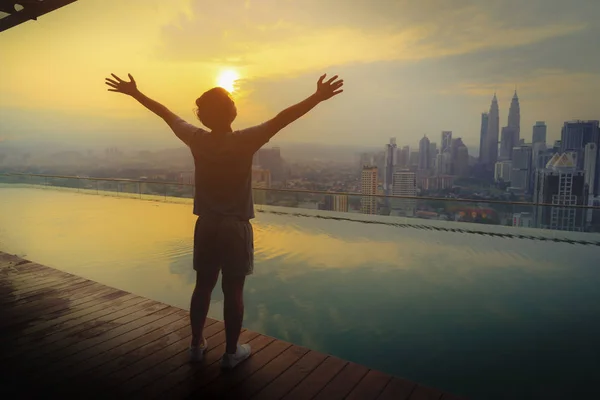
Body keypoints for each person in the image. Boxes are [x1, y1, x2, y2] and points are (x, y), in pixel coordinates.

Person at [104, 72, 344, 369]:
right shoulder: (246, 140)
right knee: (233, 290)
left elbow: (166, 113)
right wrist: (317, 97)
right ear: (233, 111)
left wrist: (135, 93)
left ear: (203, 118)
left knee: (202, 286)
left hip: (206, 224)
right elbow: (284, 118)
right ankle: (231, 353)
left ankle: (195, 345)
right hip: (235, 226)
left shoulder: (196, 139)